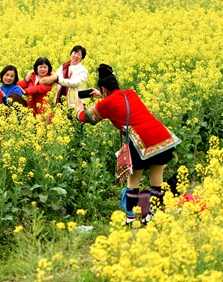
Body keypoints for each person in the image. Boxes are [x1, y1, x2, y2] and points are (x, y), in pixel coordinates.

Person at [75, 64, 180, 225]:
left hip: (141, 141)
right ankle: (153, 214)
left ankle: (131, 218)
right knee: (156, 177)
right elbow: (118, 103)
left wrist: (78, 108)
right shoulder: (130, 93)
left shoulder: (105, 104)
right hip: (161, 137)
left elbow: (86, 117)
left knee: (133, 179)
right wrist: (102, 96)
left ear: (103, 88)